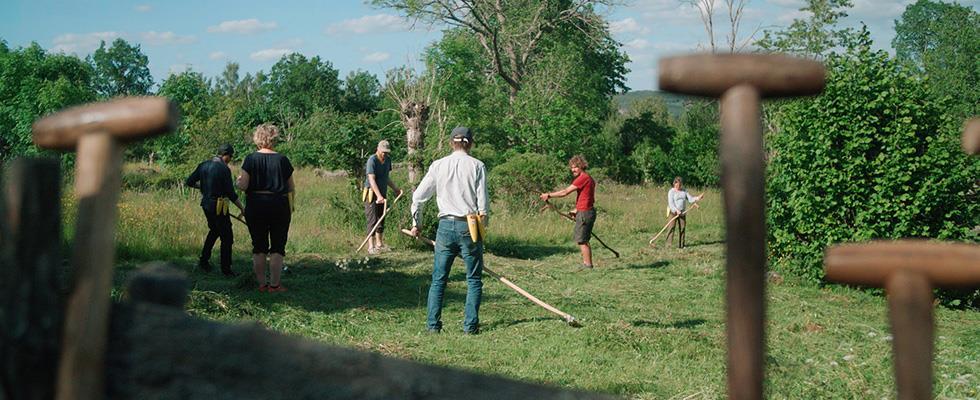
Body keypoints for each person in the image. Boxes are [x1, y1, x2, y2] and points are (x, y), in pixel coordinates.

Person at [409, 126, 489, 335]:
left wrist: (416, 223)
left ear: (451, 143)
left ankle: (433, 326)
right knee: (473, 279)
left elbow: (418, 197)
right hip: (469, 225)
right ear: (470, 143)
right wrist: (482, 232)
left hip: (445, 227)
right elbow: (483, 206)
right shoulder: (477, 166)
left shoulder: (438, 165)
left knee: (439, 279)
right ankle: (470, 327)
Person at [236, 124, 295, 293]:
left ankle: (262, 284)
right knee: (278, 246)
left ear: (257, 138)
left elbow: (243, 185)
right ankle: (275, 285)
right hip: (279, 204)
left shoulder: (250, 159)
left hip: (256, 204)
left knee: (259, 246)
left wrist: (238, 182)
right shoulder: (282, 159)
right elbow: (290, 187)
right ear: (274, 138)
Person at [185, 143, 244, 276]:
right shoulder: (224, 169)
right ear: (226, 155)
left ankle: (204, 261)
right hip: (219, 206)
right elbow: (231, 193)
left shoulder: (203, 165)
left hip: (206, 204)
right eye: (231, 156)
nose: (231, 159)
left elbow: (189, 182)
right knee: (227, 237)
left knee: (214, 231)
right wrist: (242, 208)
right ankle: (226, 269)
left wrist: (204, 187)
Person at [539, 155, 596, 271]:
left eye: (575, 167)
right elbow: (586, 197)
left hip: (585, 213)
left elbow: (565, 192)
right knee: (582, 239)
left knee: (582, 240)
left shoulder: (583, 178)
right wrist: (577, 209)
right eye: (571, 168)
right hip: (585, 211)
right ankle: (587, 264)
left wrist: (548, 195)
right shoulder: (588, 178)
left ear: (581, 166)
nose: (573, 170)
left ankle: (587, 265)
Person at [363, 140, 403, 254]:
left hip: (382, 194)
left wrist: (396, 189)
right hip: (372, 194)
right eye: (383, 152)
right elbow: (371, 179)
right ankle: (371, 247)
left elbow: (386, 178)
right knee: (372, 220)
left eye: (386, 152)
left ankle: (379, 244)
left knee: (381, 219)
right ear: (378, 149)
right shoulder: (372, 160)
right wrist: (378, 196)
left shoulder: (388, 160)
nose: (384, 154)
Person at [665, 176, 703, 249]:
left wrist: (698, 198)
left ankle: (682, 245)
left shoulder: (684, 191)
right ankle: (668, 245)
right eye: (677, 184)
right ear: (674, 183)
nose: (678, 186)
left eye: (679, 185)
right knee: (671, 228)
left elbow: (691, 199)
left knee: (682, 228)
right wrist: (676, 210)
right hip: (673, 212)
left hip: (682, 212)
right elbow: (671, 203)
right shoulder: (671, 191)